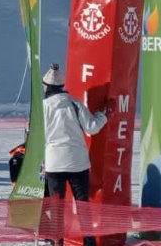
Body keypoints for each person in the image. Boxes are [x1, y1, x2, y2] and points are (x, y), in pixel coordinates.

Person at [40, 62, 111, 246]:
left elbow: (37, 136)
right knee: (83, 205)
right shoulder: (75, 104)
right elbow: (92, 128)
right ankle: (89, 242)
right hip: (78, 162)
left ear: (47, 86)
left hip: (54, 163)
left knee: (57, 207)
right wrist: (104, 114)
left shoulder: (42, 107)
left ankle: (58, 242)